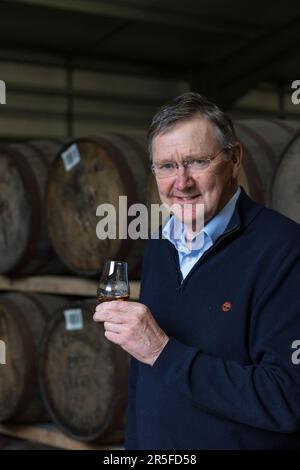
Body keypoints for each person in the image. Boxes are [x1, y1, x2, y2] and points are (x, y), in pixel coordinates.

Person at [93, 92, 300, 450]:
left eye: (197, 162)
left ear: (234, 159)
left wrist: (163, 350)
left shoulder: (284, 249)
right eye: (166, 166)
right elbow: (144, 377)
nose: (182, 182)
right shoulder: (160, 244)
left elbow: (286, 398)